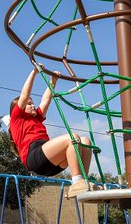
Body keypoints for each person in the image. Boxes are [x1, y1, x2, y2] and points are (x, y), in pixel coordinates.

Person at [9, 69, 94, 198]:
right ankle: (76, 182)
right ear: (19, 108)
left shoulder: (36, 117)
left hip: (50, 162)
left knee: (86, 141)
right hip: (34, 156)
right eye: (29, 104)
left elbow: (45, 100)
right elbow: (24, 95)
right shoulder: (17, 118)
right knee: (73, 138)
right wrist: (33, 72)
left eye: (33, 103)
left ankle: (84, 183)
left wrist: (53, 82)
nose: (33, 105)